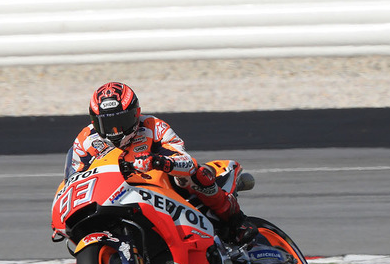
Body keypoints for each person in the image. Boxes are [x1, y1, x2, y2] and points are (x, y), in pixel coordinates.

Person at [68, 81, 257, 245]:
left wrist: (159, 162)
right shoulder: (85, 141)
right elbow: (75, 177)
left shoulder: (153, 127)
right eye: (106, 124)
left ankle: (237, 223)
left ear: (136, 114)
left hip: (162, 190)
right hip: (115, 195)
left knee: (195, 175)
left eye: (121, 121)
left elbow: (186, 162)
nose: (115, 131)